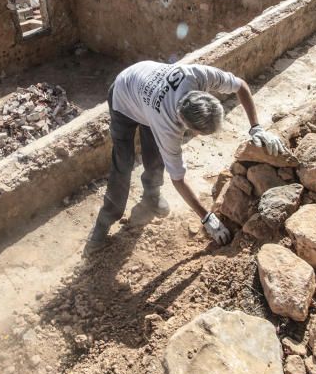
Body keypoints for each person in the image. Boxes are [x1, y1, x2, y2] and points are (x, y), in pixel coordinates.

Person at [85, 61, 284, 255]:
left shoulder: (198, 75)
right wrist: (206, 218)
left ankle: (151, 196)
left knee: (155, 155)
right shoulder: (167, 127)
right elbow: (178, 179)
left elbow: (240, 85)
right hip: (124, 97)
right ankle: (102, 226)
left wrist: (256, 127)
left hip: (146, 87)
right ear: (188, 126)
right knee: (123, 164)